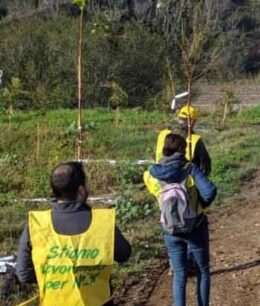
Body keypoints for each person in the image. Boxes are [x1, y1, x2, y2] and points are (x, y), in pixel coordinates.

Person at [16, 162, 132, 306]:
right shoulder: (102, 222)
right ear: (81, 191)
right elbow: (124, 254)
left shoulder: (37, 224)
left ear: (53, 191)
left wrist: (57, 277)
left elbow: (23, 274)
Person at [144, 133, 217, 306]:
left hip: (170, 229)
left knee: (179, 274)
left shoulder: (150, 174)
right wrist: (200, 204)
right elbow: (210, 191)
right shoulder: (190, 169)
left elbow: (157, 193)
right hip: (195, 226)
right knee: (202, 271)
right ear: (183, 150)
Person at [156, 105, 211, 175]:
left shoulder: (163, 134)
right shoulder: (194, 139)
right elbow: (205, 165)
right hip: (186, 182)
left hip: (160, 179)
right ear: (191, 122)